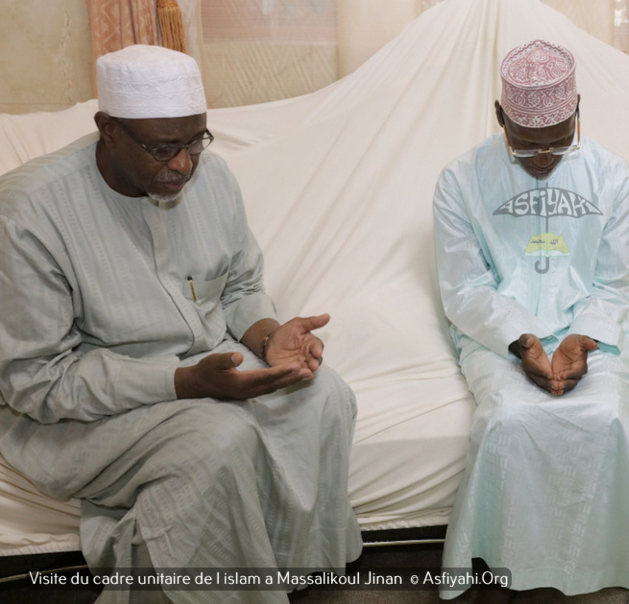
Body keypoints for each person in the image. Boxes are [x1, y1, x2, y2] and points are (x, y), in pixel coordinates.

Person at [0, 45, 362, 603]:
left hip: (205, 365)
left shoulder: (210, 180)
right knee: (217, 436)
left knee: (322, 395)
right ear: (108, 130)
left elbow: (238, 286)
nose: (185, 166)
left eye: (196, 141)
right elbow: (37, 381)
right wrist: (185, 384)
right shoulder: (30, 212)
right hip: (78, 411)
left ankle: (282, 579)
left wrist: (269, 336)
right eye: (164, 147)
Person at [433, 39, 629, 603]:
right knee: (511, 420)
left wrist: (581, 339)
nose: (543, 158)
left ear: (577, 113)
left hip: (592, 330)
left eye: (557, 142)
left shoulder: (613, 176)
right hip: (496, 337)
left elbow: (614, 284)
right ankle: (506, 566)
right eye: (525, 145)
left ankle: (606, 566)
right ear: (500, 118)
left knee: (607, 416)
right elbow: (465, 288)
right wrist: (521, 343)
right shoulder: (460, 181)